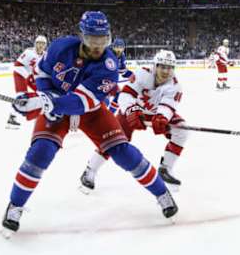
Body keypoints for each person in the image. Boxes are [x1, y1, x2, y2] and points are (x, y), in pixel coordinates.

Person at [1, 11, 178, 237]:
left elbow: (82, 101)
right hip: (56, 103)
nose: (98, 46)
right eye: (93, 40)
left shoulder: (109, 65)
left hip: (90, 110)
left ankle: (162, 194)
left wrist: (47, 103)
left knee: (123, 152)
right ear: (82, 36)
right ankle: (15, 205)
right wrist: (42, 95)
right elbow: (41, 73)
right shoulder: (60, 46)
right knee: (40, 153)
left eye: (103, 40)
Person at [80, 50, 188, 193]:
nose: (166, 71)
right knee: (112, 138)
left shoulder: (175, 86)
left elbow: (167, 106)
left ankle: (166, 169)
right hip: (131, 111)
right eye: (162, 66)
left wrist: (162, 118)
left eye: (169, 68)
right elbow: (125, 95)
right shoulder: (142, 74)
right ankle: (90, 170)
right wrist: (132, 111)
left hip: (154, 114)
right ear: (155, 66)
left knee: (181, 130)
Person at [6, 35, 48, 129]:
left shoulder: (45, 55)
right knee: (22, 98)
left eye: (42, 44)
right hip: (20, 74)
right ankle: (11, 118)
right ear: (35, 44)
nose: (40, 45)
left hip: (31, 77)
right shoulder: (29, 52)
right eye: (38, 43)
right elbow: (17, 65)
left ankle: (40, 118)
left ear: (45, 45)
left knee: (42, 95)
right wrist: (28, 76)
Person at [107, 37, 134, 113]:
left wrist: (133, 75)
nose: (119, 50)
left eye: (121, 48)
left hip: (111, 81)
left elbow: (123, 71)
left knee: (119, 95)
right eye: (117, 47)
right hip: (100, 80)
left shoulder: (122, 55)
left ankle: (110, 114)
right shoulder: (107, 53)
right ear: (113, 47)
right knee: (104, 101)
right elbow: (108, 69)